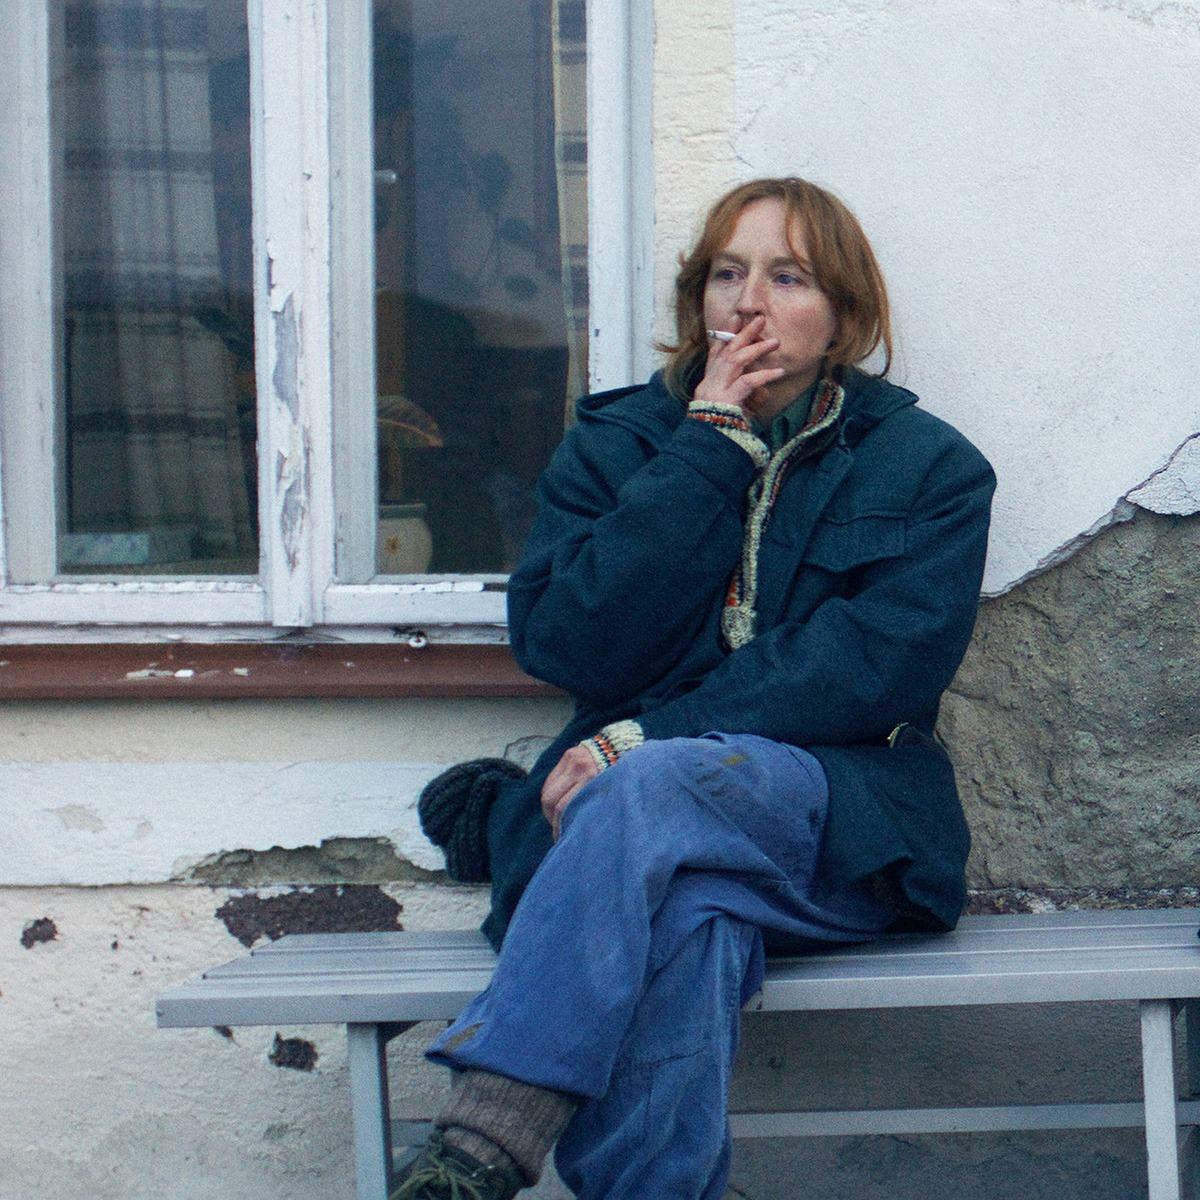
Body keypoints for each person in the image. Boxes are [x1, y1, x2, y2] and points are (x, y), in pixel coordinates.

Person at [397, 177, 995, 1200]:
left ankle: (489, 1135)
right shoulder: (618, 445)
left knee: (652, 785)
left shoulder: (930, 470)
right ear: (697, 302)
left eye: (787, 276)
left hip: (839, 822)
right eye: (727, 273)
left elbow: (864, 673)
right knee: (690, 914)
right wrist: (705, 451)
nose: (747, 303)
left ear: (845, 314)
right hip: (647, 848)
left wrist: (643, 739)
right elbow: (568, 645)